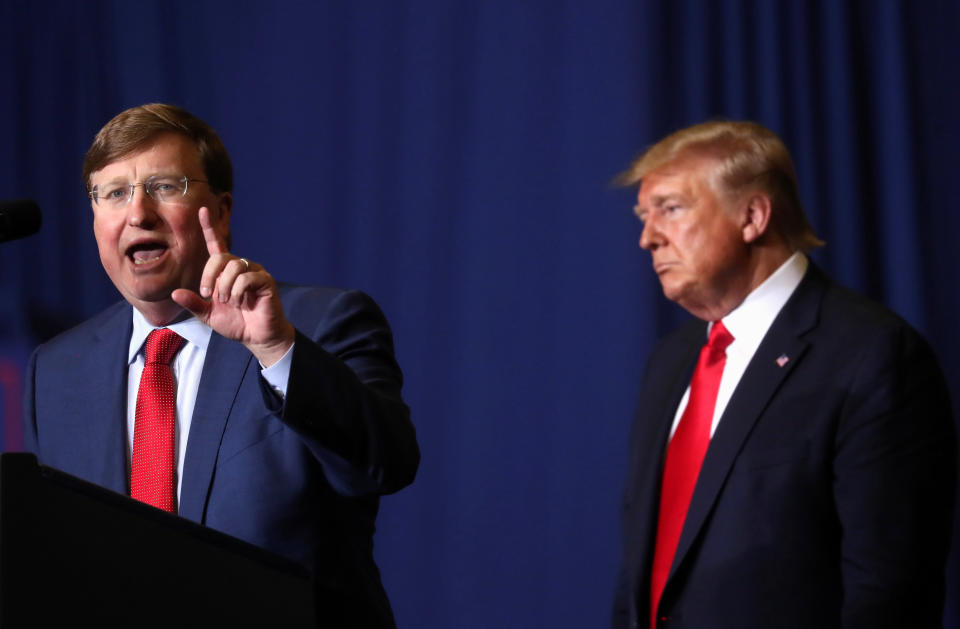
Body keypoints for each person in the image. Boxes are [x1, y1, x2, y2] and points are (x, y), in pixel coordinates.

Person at [23, 103, 419, 628]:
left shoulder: (319, 323)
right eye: (114, 193)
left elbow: (387, 464)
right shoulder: (55, 371)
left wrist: (277, 350)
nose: (138, 213)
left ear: (223, 211)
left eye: (164, 186)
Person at [612, 120, 955, 629]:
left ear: (752, 216)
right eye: (644, 215)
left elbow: (890, 594)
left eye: (671, 209)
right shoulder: (671, 359)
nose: (647, 238)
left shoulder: (873, 355)